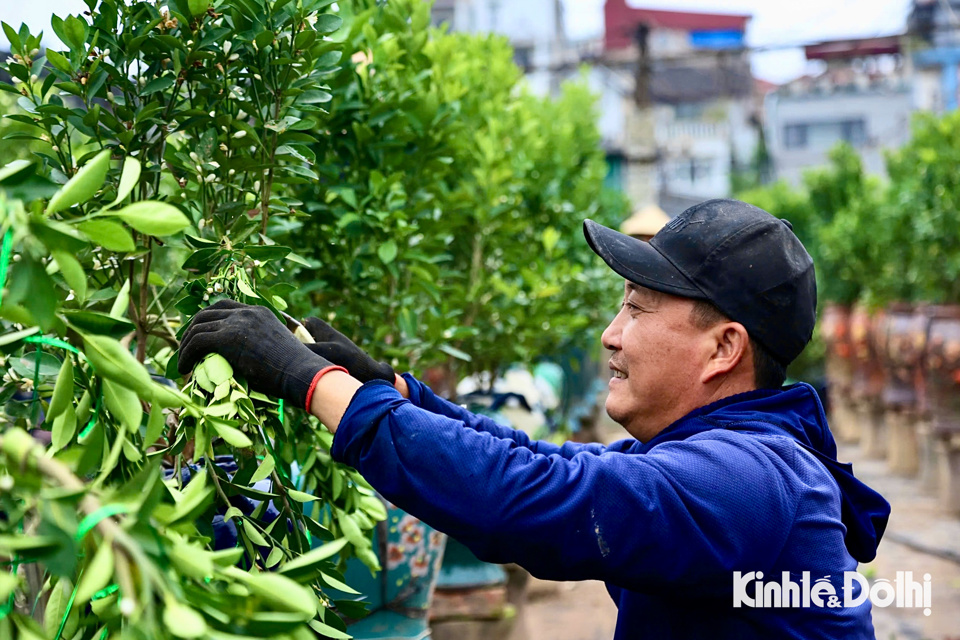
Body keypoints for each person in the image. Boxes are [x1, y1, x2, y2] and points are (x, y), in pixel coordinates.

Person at [178, 199, 890, 639]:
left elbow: (538, 500)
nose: (612, 334)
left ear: (723, 348)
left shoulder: (747, 482)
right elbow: (557, 465)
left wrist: (316, 386)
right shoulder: (725, 455)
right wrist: (395, 389)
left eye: (637, 310)